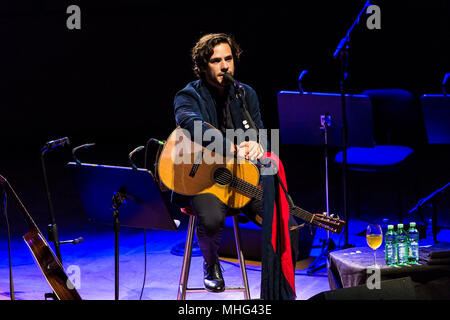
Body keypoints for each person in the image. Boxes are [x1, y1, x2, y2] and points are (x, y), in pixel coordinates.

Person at [172, 33, 298, 294]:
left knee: (278, 214)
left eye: (228, 59)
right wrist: (225, 146)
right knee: (212, 218)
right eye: (216, 60)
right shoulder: (187, 95)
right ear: (203, 65)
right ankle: (210, 263)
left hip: (241, 179)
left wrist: (258, 145)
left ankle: (276, 285)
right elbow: (190, 124)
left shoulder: (245, 93)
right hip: (203, 180)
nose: (225, 65)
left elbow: (259, 131)